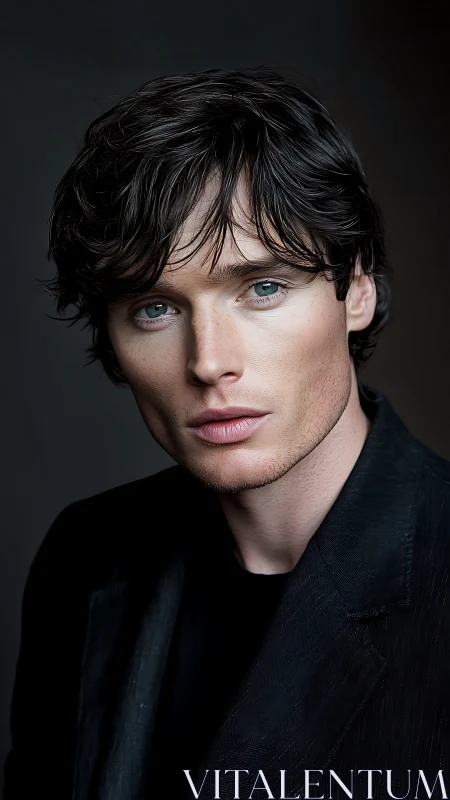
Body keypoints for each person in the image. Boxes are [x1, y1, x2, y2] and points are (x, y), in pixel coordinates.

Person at [4, 66, 450, 800]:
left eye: (263, 288)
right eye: (155, 308)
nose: (208, 362)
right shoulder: (83, 559)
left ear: (357, 288)